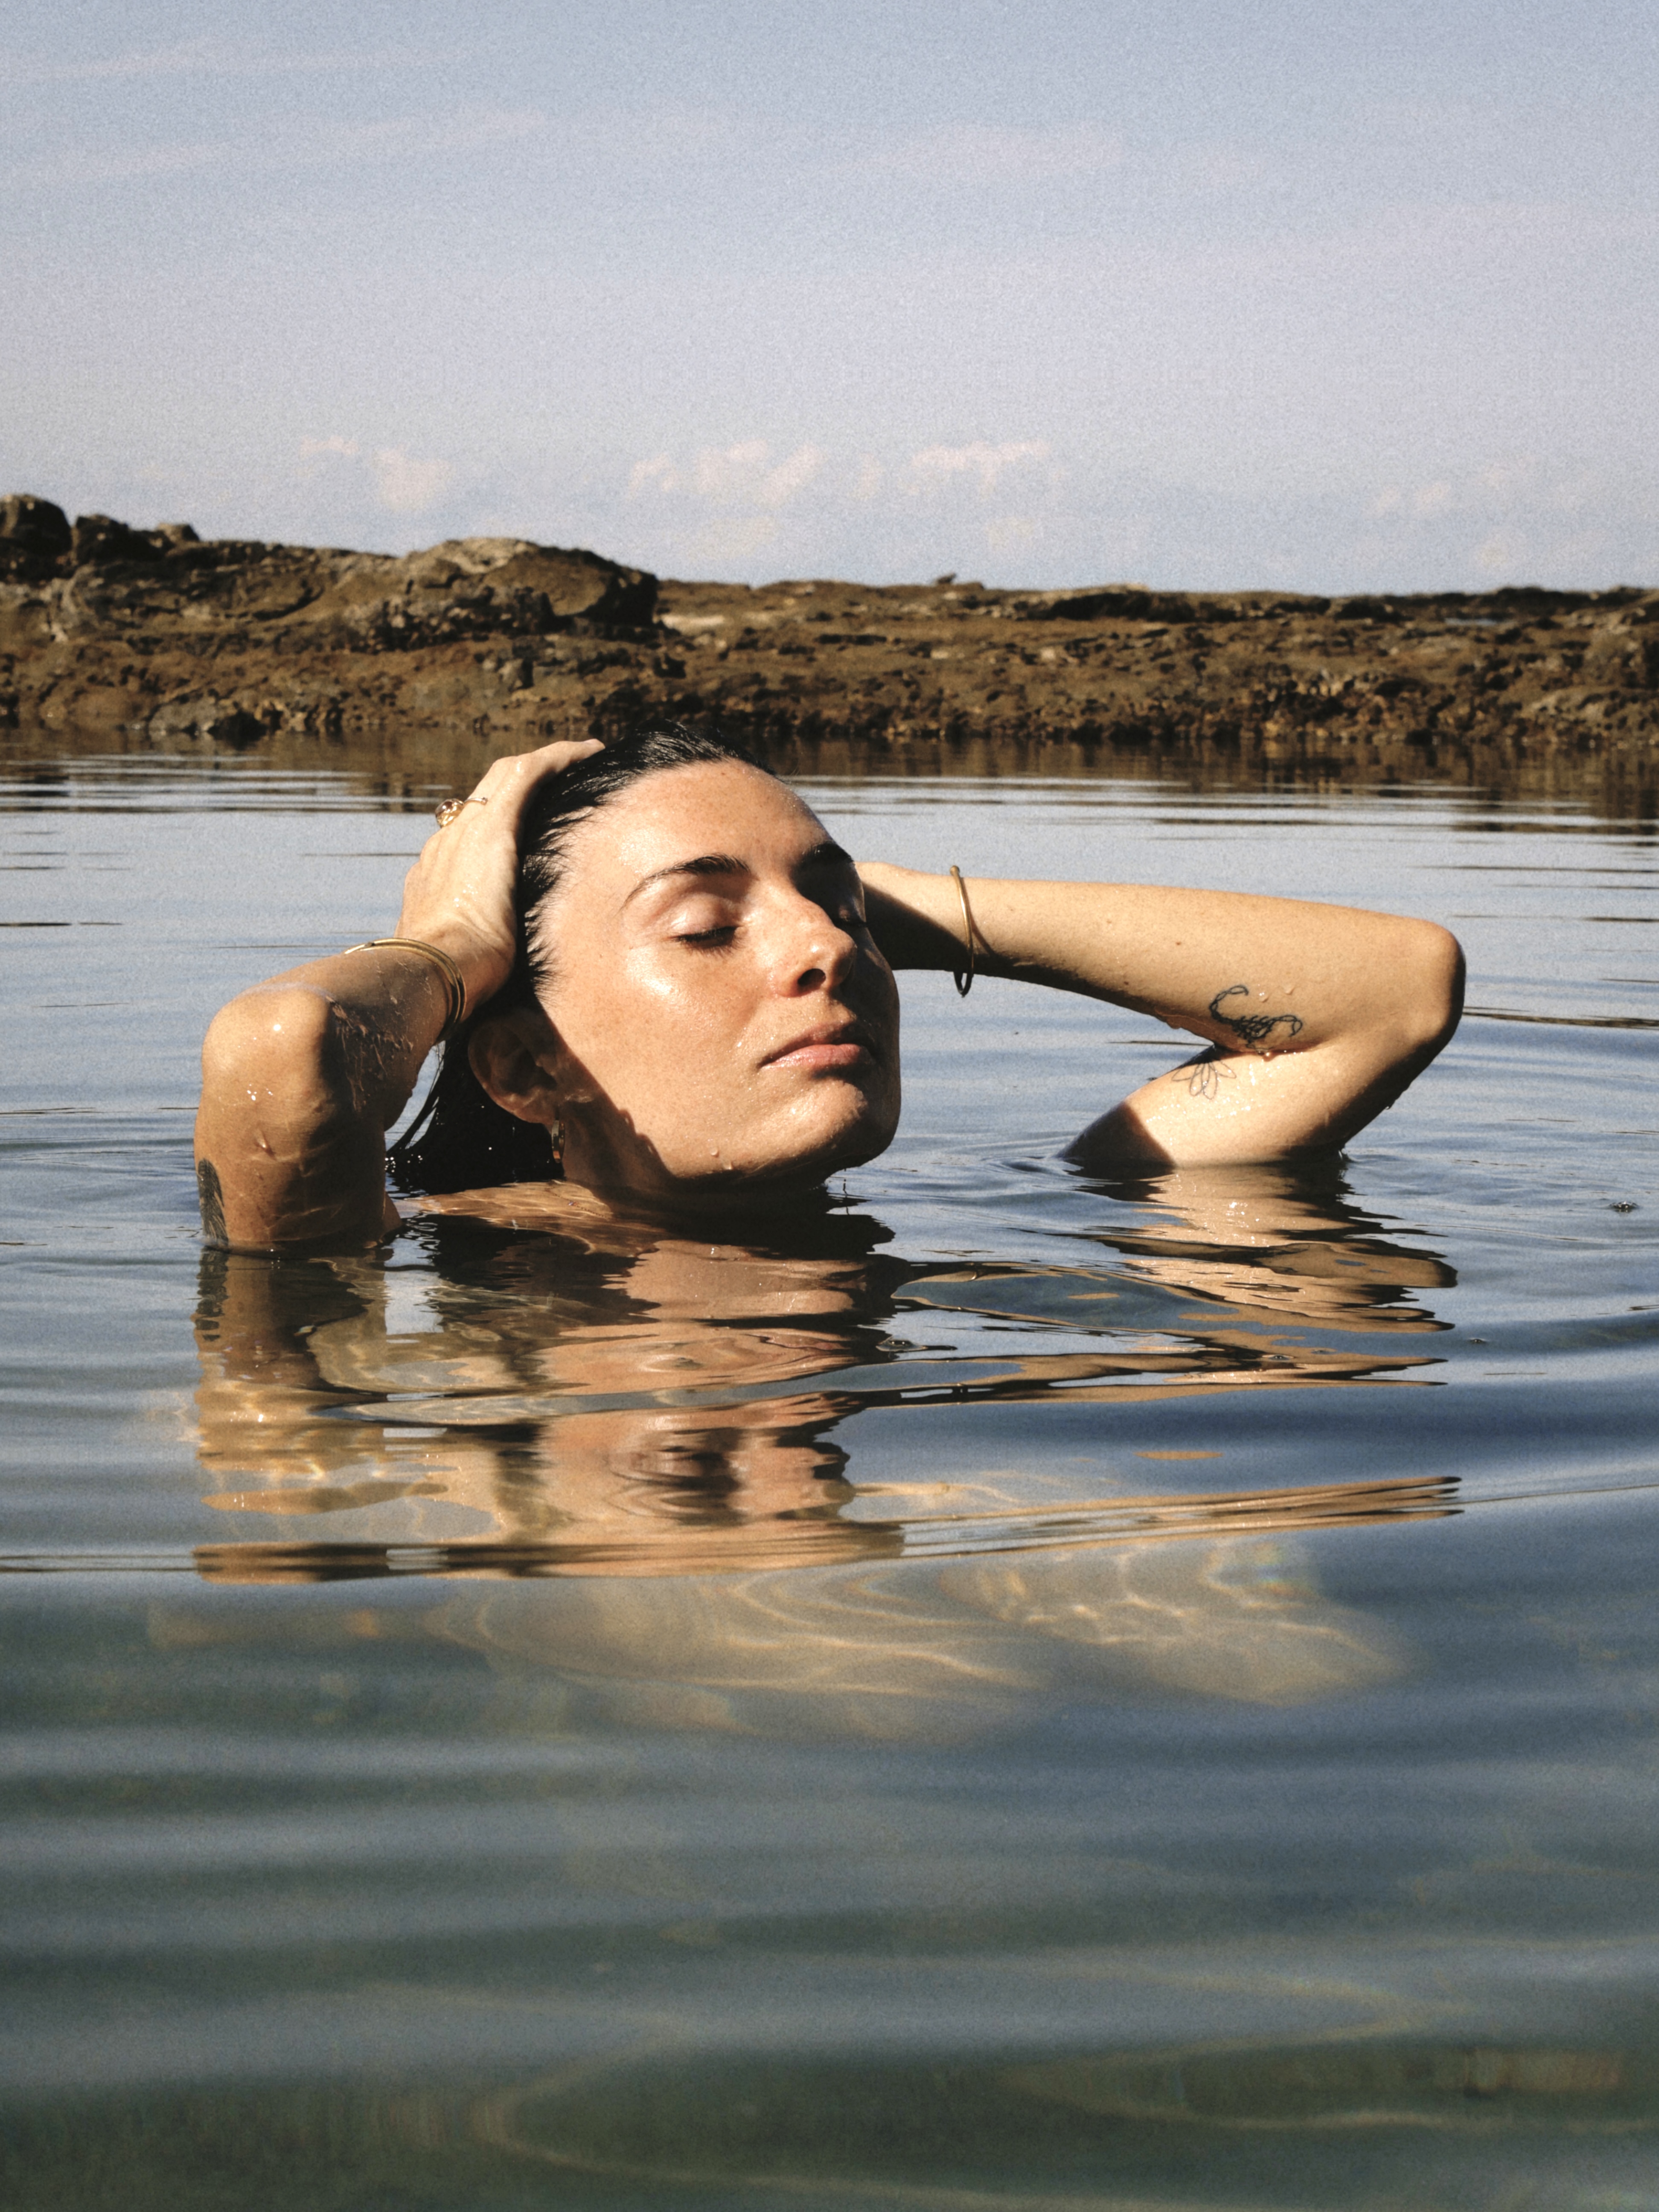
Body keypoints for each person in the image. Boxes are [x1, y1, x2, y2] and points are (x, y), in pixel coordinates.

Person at [193, 725, 1464, 1253]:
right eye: (706, 926)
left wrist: (886, 907)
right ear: (528, 1067)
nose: (833, 950)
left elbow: (1397, 991)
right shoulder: (441, 1258)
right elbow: (282, 1053)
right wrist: (457, 940)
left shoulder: (1010, 1212)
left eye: (844, 912)